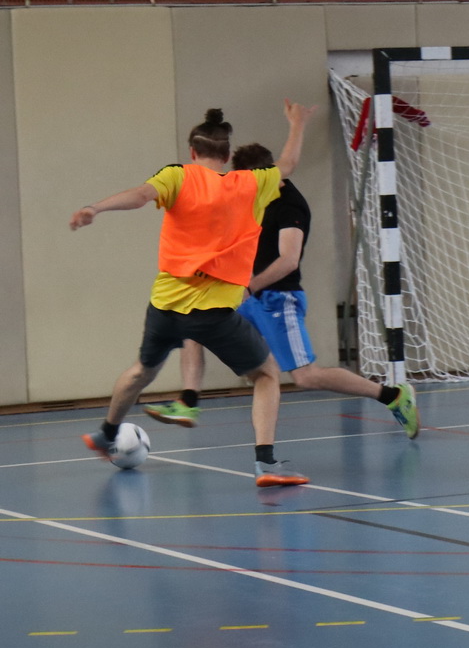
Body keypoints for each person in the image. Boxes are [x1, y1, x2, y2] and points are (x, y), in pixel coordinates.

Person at [70, 103, 316, 486]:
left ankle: (106, 433)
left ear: (192, 152)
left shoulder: (176, 176)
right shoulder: (249, 184)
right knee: (266, 374)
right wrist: (297, 123)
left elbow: (140, 195)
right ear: (228, 156)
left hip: (164, 304)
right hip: (211, 311)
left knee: (142, 370)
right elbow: (288, 164)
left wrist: (95, 208)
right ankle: (266, 464)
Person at [144, 143, 420, 438]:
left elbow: (288, 260)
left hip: (277, 299)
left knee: (305, 377)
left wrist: (250, 285)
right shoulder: (246, 197)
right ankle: (188, 401)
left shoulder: (290, 205)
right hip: (245, 295)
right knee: (193, 327)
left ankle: (393, 395)